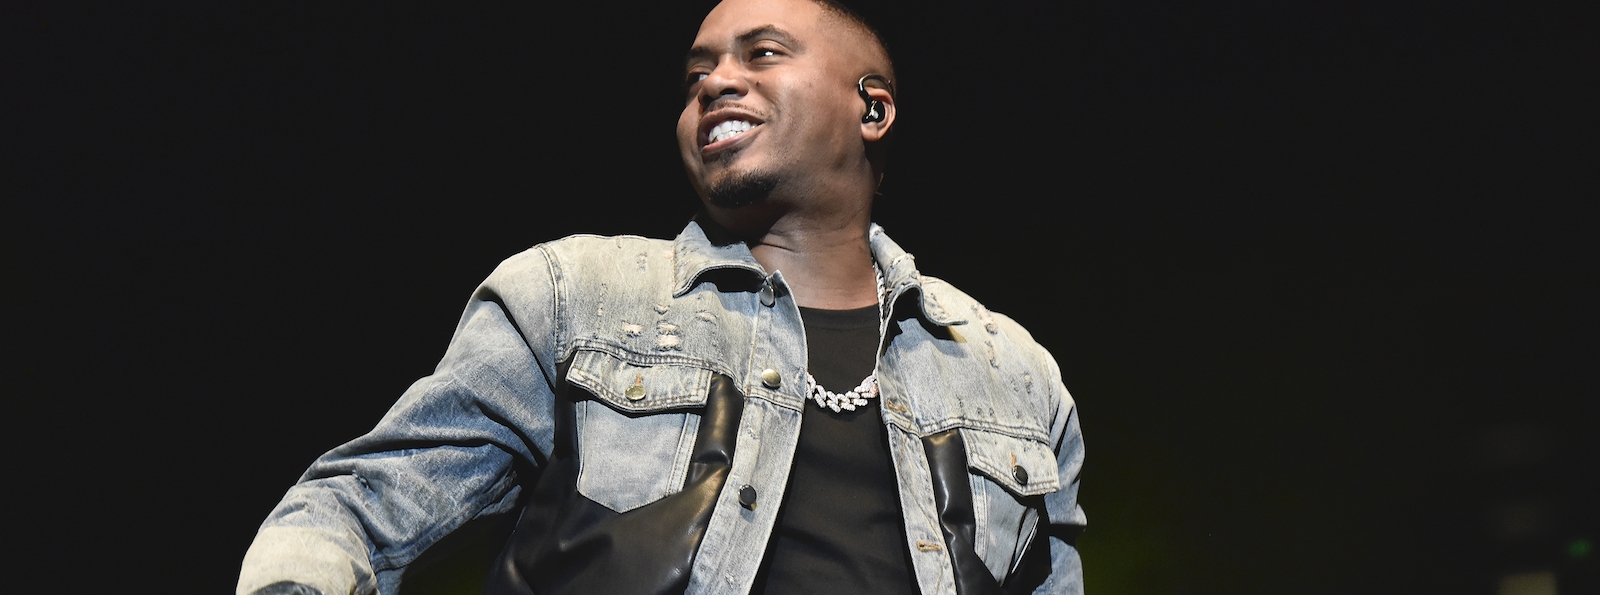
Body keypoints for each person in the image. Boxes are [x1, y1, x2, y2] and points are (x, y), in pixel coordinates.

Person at [236, 0, 1086, 593]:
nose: (715, 82)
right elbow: (354, 506)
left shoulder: (1014, 375)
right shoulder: (573, 297)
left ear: (872, 107)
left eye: (761, 54)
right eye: (696, 74)